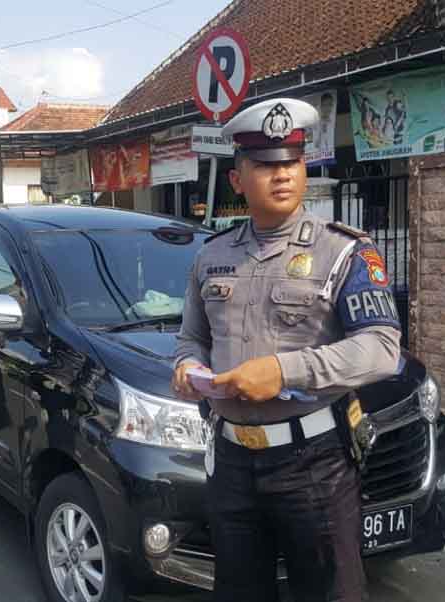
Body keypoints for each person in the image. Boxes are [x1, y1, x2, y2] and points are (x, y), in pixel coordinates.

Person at [173, 98, 402, 602]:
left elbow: (382, 349)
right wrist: (187, 365)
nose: (282, 175)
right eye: (266, 165)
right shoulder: (212, 256)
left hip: (314, 463)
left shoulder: (343, 251)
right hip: (231, 460)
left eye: (292, 162)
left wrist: (284, 371)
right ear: (237, 179)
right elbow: (192, 337)